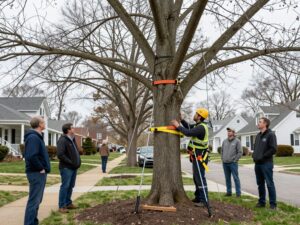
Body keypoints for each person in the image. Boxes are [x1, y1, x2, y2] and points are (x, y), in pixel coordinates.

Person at [171, 108, 210, 207]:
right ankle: (198, 197)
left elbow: (188, 133)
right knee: (196, 178)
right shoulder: (198, 126)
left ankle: (204, 200)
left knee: (200, 178)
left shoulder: (201, 128)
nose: (194, 115)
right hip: (197, 156)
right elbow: (188, 127)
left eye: (196, 114)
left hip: (200, 157)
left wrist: (177, 125)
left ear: (200, 116)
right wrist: (182, 120)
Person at [24, 116, 50, 225]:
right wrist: (41, 168)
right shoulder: (33, 138)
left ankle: (33, 222)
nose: (45, 124)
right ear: (39, 124)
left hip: (37, 172)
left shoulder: (37, 137)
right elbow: (31, 156)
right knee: (34, 201)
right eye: (43, 122)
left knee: (37, 200)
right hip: (36, 173)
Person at [252, 117, 277, 210]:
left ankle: (273, 205)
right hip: (257, 164)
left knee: (269, 184)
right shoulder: (258, 135)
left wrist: (263, 156)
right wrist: (254, 155)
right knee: (260, 184)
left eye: (260, 122)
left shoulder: (271, 135)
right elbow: (256, 148)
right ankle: (262, 202)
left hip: (266, 163)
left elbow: (273, 149)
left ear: (265, 124)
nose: (258, 123)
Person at [57, 123, 81, 213]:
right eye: (73, 128)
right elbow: (60, 154)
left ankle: (68, 203)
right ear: (68, 130)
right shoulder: (63, 140)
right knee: (65, 186)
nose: (74, 129)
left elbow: (75, 152)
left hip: (73, 168)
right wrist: (71, 162)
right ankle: (62, 206)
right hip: (66, 168)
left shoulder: (72, 139)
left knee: (71, 186)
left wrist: (77, 162)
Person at [221, 127, 242, 197]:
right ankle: (228, 192)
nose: (228, 132)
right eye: (228, 131)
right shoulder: (224, 141)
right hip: (225, 163)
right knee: (227, 178)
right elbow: (222, 151)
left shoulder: (237, 141)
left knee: (236, 178)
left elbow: (240, 152)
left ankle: (238, 193)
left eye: (230, 131)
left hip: (233, 163)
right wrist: (222, 159)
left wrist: (235, 160)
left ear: (233, 133)